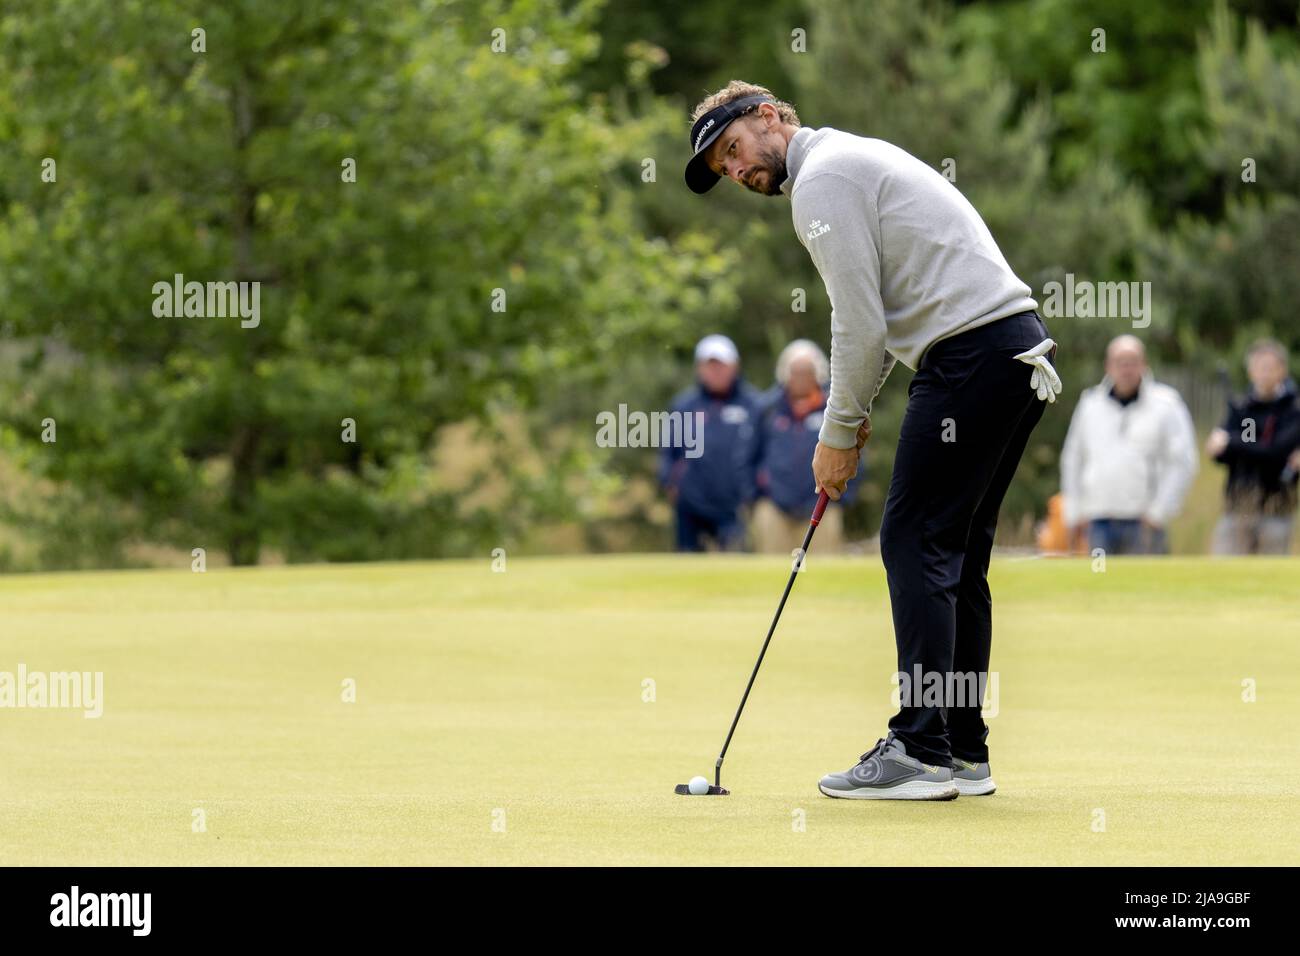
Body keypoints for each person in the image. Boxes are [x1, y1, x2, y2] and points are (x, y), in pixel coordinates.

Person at [685, 80, 1061, 800]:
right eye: (723, 170)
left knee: (912, 539)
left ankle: (920, 748)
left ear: (770, 117)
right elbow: (882, 325)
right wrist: (851, 429)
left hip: (973, 354)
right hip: (1013, 354)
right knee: (953, 550)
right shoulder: (847, 161)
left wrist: (836, 433)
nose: (736, 171)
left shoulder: (819, 181)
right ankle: (959, 747)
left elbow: (858, 327)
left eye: (734, 150)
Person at [1059, 335, 1198, 555]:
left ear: (1144, 364)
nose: (1126, 368)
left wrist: (1159, 512)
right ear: (1108, 366)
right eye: (1120, 362)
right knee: (1099, 587)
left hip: (1144, 524)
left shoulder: (1167, 404)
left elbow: (1182, 462)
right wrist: (1074, 513)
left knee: (1148, 587)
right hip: (1097, 522)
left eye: (1132, 361)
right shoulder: (1089, 404)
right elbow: (1073, 459)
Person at [658, 334, 763, 552]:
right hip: (691, 503)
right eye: (710, 365)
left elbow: (763, 451)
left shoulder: (754, 404)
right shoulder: (684, 405)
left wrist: (755, 489)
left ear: (735, 366)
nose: (716, 372)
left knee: (736, 565)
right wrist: (669, 481)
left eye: (721, 365)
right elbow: (669, 451)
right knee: (688, 567)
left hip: (736, 505)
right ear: (699, 368)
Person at [753, 340, 850, 555]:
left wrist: (842, 497)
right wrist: (757, 493)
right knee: (771, 570)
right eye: (795, 372)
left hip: (822, 506)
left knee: (823, 573)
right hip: (774, 507)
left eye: (807, 372)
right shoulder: (767, 409)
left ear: (819, 373)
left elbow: (854, 456)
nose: (800, 378)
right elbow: (749, 455)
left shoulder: (835, 411)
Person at [1206, 339, 1300, 554]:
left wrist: (1233, 442)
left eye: (1270, 367)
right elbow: (1229, 453)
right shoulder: (1243, 408)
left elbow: (1274, 452)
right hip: (1237, 508)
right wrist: (1236, 445)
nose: (1264, 373)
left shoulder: (1292, 410)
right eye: (1259, 367)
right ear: (1251, 371)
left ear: (1282, 371)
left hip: (1276, 509)